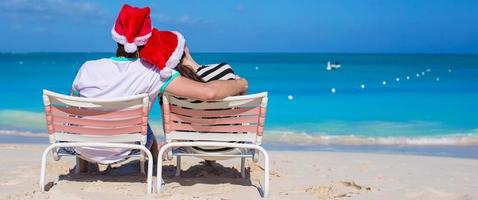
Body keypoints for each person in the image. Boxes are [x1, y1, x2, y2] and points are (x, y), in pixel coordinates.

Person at [71, 4, 248, 172]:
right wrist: (241, 84)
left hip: (83, 146)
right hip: (123, 149)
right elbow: (210, 93)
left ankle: (84, 169)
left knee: (87, 117)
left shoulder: (88, 67)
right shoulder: (153, 73)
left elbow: (74, 106)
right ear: (147, 39)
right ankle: (154, 169)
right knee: (144, 127)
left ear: (115, 36)